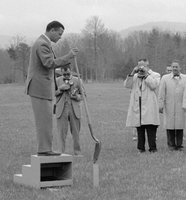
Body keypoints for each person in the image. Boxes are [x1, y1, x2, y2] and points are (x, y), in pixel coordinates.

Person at [25, 21, 78, 156]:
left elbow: (47, 66)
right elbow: (48, 63)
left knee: (46, 119)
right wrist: (68, 56)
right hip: (39, 88)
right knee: (44, 120)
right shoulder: (42, 44)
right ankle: (44, 150)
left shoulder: (44, 42)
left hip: (41, 87)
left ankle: (45, 148)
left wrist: (64, 69)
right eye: (59, 34)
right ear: (52, 31)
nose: (60, 37)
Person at [124, 58, 160, 153]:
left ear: (147, 65)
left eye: (143, 66)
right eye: (139, 65)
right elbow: (127, 85)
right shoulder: (135, 76)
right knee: (140, 129)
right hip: (138, 105)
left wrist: (146, 75)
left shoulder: (155, 75)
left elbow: (154, 85)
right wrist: (132, 73)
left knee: (151, 128)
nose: (140, 68)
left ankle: (153, 148)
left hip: (149, 106)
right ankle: (141, 148)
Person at [54, 65, 83, 155]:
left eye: (68, 74)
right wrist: (60, 89)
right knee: (61, 132)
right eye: (64, 74)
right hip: (61, 108)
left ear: (71, 71)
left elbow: (83, 95)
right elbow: (52, 93)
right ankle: (60, 152)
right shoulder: (57, 81)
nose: (66, 76)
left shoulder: (78, 80)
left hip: (74, 109)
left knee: (76, 132)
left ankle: (77, 152)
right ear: (61, 72)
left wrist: (76, 96)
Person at [159, 60, 186, 151]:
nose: (174, 68)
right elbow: (161, 92)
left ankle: (179, 145)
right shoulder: (165, 78)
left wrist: (184, 105)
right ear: (171, 68)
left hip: (180, 106)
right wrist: (161, 104)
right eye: (173, 67)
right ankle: (171, 145)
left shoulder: (185, 78)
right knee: (169, 125)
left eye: (176, 67)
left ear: (180, 68)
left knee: (179, 125)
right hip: (169, 104)